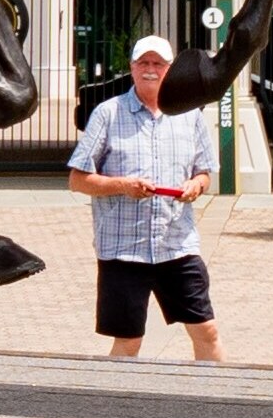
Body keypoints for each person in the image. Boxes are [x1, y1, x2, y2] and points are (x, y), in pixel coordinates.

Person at [67, 34, 221, 361]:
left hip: (177, 245)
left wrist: (197, 185)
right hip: (124, 250)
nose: (150, 70)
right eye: (143, 63)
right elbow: (78, 180)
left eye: (158, 63)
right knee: (129, 341)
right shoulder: (107, 114)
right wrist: (122, 185)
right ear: (132, 68)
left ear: (170, 69)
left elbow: (205, 172)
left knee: (206, 330)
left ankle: (221, 399)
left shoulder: (190, 114)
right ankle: (115, 404)